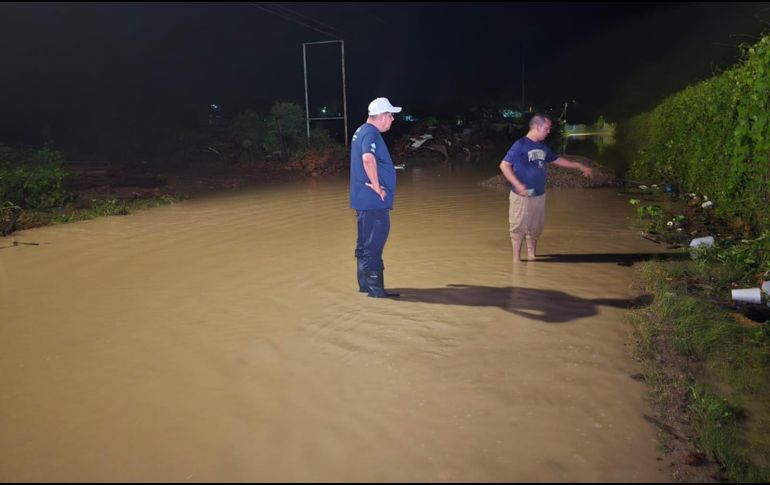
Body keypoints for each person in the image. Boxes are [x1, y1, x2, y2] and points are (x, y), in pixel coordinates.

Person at [499, 113, 593, 262]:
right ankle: (516, 260)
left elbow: (557, 160)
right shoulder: (520, 144)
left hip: (539, 194)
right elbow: (504, 165)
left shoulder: (543, 147)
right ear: (537, 126)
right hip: (522, 194)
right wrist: (517, 184)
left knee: (535, 228)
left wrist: (579, 165)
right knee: (518, 228)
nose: (549, 131)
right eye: (547, 128)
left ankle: (532, 257)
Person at [350, 97, 402, 297]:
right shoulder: (371, 133)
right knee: (374, 243)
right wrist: (379, 188)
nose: (392, 119)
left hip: (363, 201)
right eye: (390, 115)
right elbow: (367, 158)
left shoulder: (361, 130)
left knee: (364, 244)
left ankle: (365, 286)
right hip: (373, 202)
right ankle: (376, 292)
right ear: (380, 117)